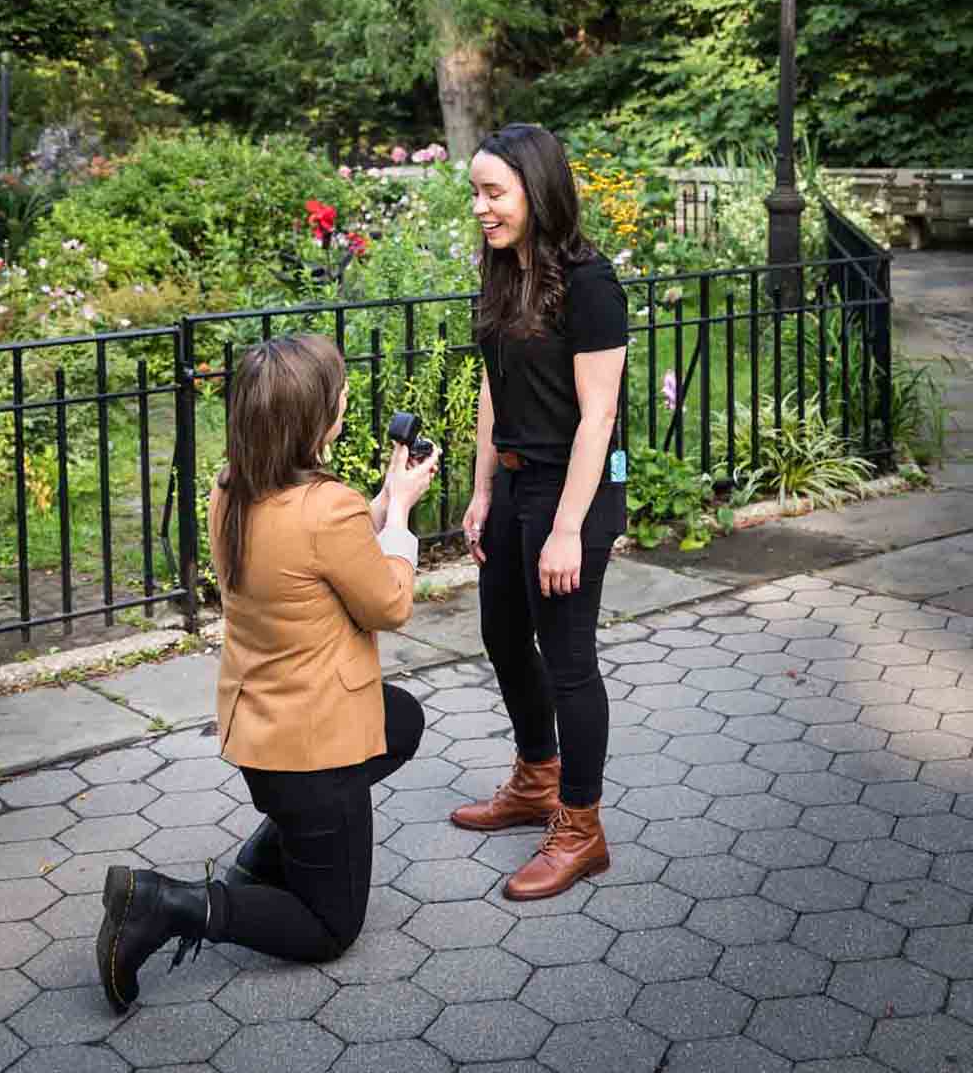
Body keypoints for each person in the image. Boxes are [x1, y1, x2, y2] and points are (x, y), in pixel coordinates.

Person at [97, 332, 436, 1011]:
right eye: (337, 394)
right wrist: (398, 514)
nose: (344, 400)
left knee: (400, 719)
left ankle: (264, 857)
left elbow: (312, 549)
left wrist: (377, 499)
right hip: (314, 753)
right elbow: (390, 603)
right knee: (329, 926)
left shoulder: (234, 485)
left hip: (262, 730)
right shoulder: (324, 508)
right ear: (315, 418)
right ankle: (170, 905)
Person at [450, 123, 629, 901]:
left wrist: (565, 530)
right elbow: (496, 385)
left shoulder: (591, 284)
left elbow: (599, 418)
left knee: (569, 660)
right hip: (518, 484)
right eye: (477, 194)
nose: (483, 209)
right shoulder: (501, 272)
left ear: (537, 188)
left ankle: (581, 826)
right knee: (499, 633)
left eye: (495, 193)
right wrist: (483, 488)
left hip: (573, 494)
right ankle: (535, 777)